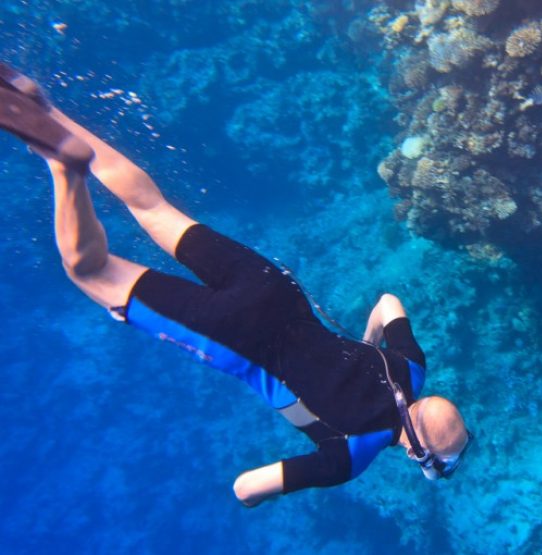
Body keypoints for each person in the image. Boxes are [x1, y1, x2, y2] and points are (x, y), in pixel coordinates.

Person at [0, 63, 471, 507]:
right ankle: (66, 169)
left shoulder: (410, 368)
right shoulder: (349, 458)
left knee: (154, 207)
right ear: (418, 455)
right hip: (236, 336)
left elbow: (388, 302)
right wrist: (258, 500)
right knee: (90, 270)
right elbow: (245, 487)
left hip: (275, 291)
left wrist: (365, 344)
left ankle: (45, 109)